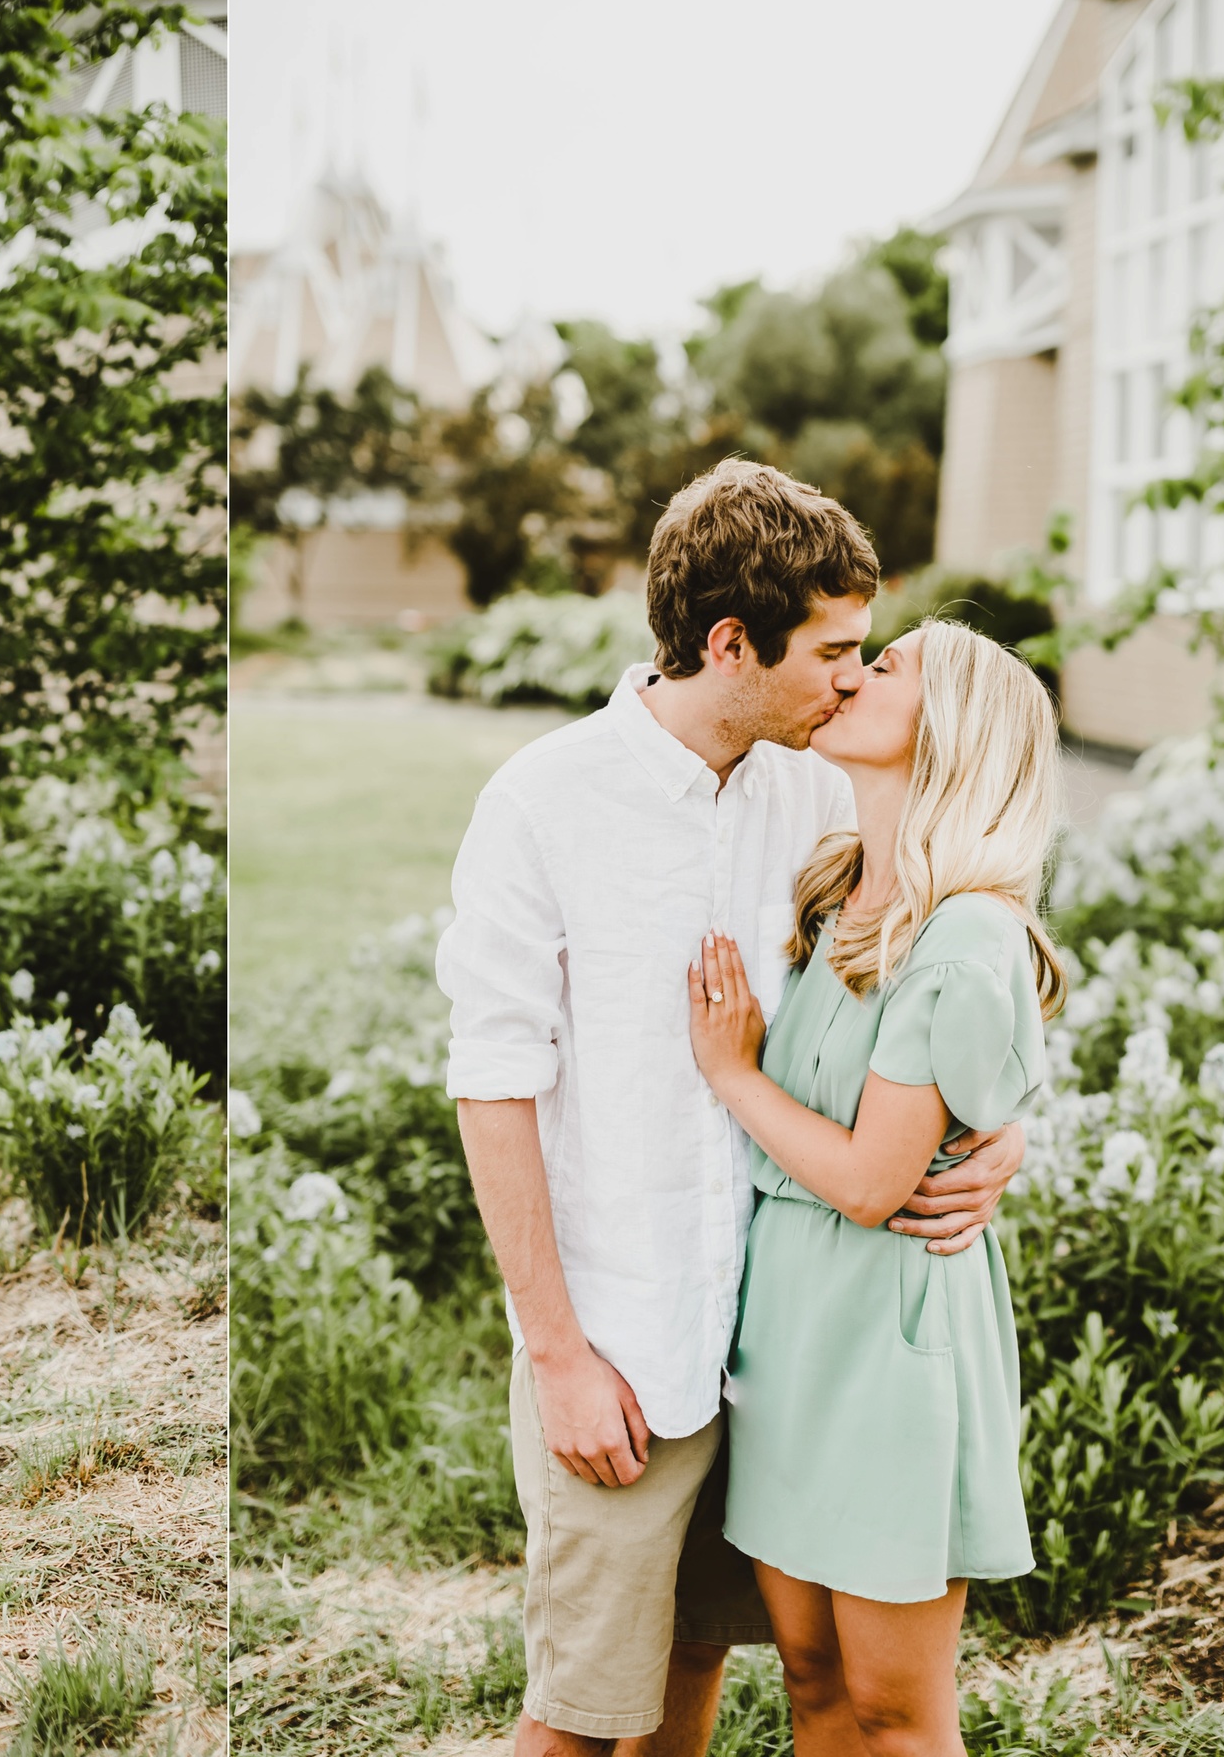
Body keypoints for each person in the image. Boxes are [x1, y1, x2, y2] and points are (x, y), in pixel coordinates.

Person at [434, 459, 1026, 1757]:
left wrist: (1007, 1133)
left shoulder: (818, 790)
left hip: (779, 1361)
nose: (855, 679)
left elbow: (958, 962)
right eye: (836, 649)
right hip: (627, 1356)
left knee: (688, 1668)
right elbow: (494, 1087)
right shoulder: (545, 801)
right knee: (580, 1717)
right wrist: (560, 1357)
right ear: (729, 641)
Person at [689, 620, 1057, 1757]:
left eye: (883, 664)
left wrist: (730, 1071)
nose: (851, 674)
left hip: (888, 1338)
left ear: (947, 725)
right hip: (791, 1330)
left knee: (897, 1713)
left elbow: (866, 1180)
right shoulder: (838, 884)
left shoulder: (965, 936)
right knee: (812, 1683)